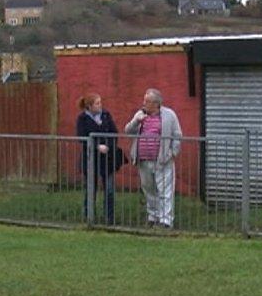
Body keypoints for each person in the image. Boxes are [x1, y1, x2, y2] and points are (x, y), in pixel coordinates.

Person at [125, 88, 182, 229]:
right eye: (144, 100)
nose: (144, 103)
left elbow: (177, 135)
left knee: (165, 190)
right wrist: (136, 121)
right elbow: (128, 131)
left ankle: (166, 220)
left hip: (162, 160)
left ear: (156, 103)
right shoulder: (140, 115)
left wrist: (172, 153)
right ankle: (153, 216)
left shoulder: (169, 115)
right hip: (143, 159)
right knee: (149, 189)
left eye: (147, 101)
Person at [76, 92, 121, 224]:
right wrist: (96, 146)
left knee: (110, 189)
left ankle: (109, 219)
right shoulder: (82, 118)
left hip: (107, 159)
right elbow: (81, 137)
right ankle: (89, 217)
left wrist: (109, 145)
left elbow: (114, 132)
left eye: (100, 102)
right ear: (89, 106)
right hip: (90, 159)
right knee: (90, 189)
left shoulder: (106, 115)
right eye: (97, 103)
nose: (100, 105)